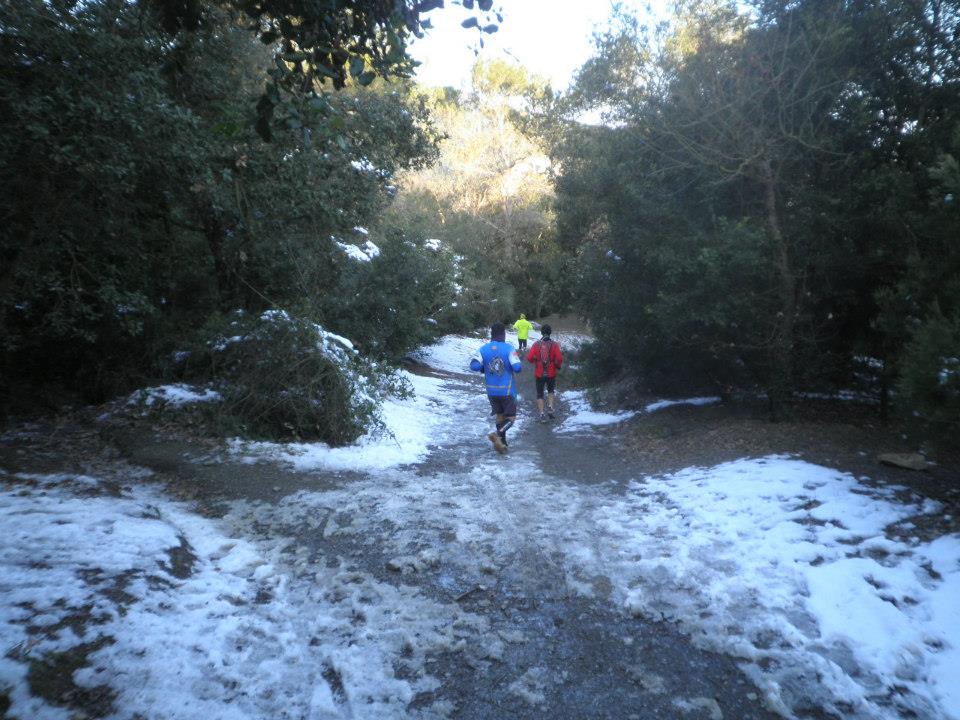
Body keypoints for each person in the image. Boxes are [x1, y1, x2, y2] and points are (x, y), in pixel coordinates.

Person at [470, 322, 522, 453]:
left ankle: (502, 444)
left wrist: (484, 367)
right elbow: (517, 368)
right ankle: (497, 433)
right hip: (507, 390)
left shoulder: (483, 349)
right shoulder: (509, 348)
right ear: (503, 334)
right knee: (511, 418)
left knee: (500, 415)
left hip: (491, 391)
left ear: (491, 334)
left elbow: (474, 366)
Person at [527, 324, 563, 422]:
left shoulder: (536, 344)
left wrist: (535, 360)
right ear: (550, 332)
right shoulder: (554, 345)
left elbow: (529, 358)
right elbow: (559, 358)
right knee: (551, 391)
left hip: (539, 373)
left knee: (540, 394)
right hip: (551, 373)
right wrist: (557, 365)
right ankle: (550, 407)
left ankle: (542, 414)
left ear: (541, 332)